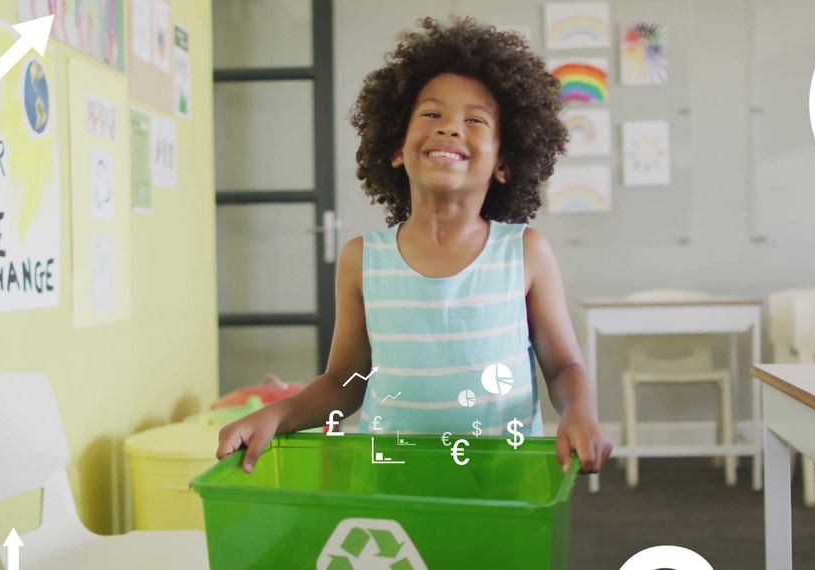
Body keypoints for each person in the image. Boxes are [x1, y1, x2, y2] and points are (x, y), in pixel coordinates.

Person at [217, 16, 612, 475]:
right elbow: (345, 383)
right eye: (431, 114)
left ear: (505, 161)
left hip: (503, 480)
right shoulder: (361, 259)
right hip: (392, 478)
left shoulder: (525, 252)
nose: (449, 128)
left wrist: (578, 411)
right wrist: (278, 413)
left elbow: (564, 366)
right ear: (396, 148)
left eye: (475, 119)